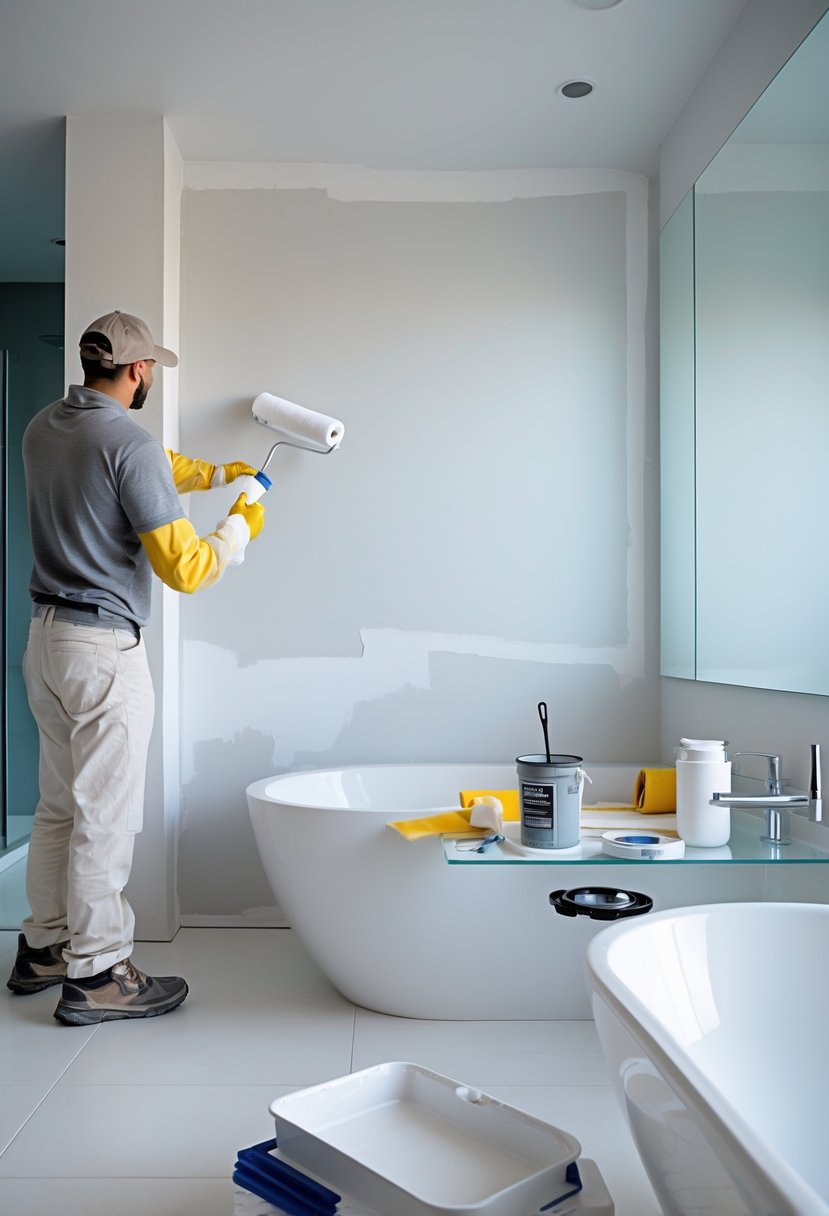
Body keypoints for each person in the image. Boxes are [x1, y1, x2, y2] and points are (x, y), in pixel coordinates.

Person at [6, 309, 265, 1025]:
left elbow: (141, 467)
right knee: (104, 817)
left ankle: (44, 947)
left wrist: (214, 473)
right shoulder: (130, 443)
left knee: (59, 806)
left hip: (46, 641)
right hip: (102, 653)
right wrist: (241, 521)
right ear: (140, 370)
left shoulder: (47, 427)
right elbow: (185, 567)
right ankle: (98, 974)